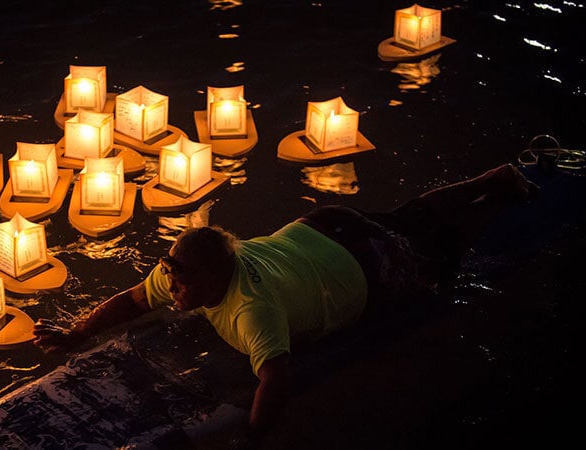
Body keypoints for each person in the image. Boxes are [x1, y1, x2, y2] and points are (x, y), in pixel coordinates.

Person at [33, 163, 537, 441]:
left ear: (215, 277)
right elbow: (130, 300)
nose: (172, 288)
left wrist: (253, 438)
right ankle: (491, 178)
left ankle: (499, 198)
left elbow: (276, 375)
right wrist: (75, 334)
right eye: (171, 276)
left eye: (183, 283)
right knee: (408, 215)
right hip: (323, 226)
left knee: (438, 256)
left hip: (363, 261)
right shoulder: (180, 270)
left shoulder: (253, 309)